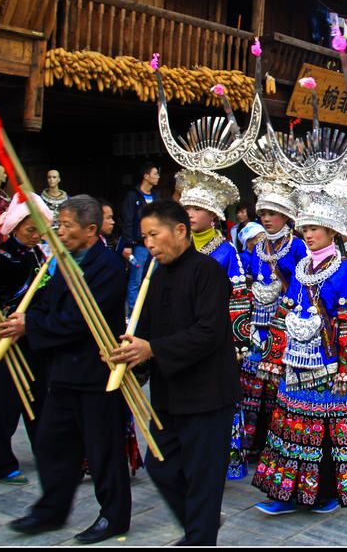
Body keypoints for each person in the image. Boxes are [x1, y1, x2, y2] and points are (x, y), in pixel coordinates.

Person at [108, 199, 241, 545]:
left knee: (202, 477)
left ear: (180, 231)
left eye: (154, 234)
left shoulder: (207, 271)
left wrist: (153, 349)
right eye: (144, 236)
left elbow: (209, 332)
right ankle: (200, 525)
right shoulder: (156, 274)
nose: (148, 243)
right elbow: (148, 330)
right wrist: (131, 354)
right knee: (161, 467)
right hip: (169, 394)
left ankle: (200, 535)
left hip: (208, 395)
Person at [7, 196, 131, 544]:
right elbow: (46, 303)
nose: (59, 232)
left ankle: (113, 516)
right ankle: (51, 510)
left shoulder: (106, 266)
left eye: (66, 226)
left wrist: (31, 326)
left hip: (95, 372)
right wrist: (24, 318)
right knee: (50, 442)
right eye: (58, 225)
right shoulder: (62, 262)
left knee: (102, 449)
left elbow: (78, 321)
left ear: (91, 230)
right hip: (62, 371)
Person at [252, 190, 347, 514]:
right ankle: (286, 495)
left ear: (332, 231)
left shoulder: (345, 271)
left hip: (328, 366)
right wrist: (274, 358)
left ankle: (326, 494)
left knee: (326, 433)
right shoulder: (303, 266)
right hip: (296, 360)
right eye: (304, 229)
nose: (308, 235)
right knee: (290, 428)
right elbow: (286, 311)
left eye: (314, 229)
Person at [176, 170, 249, 481]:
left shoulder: (226, 252)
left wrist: (237, 343)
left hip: (214, 338)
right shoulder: (177, 245)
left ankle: (215, 460)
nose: (190, 214)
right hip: (181, 336)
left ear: (214, 215)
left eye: (197, 209)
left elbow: (238, 300)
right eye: (187, 208)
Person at [0, 192, 54, 486]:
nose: (35, 235)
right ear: (15, 226)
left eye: (39, 229)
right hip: (11, 340)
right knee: (5, 403)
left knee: (40, 398)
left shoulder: (40, 253)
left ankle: (43, 450)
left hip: (36, 336)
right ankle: (3, 462)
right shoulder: (0, 258)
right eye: (29, 229)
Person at [243, 177, 307, 458]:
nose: (266, 220)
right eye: (263, 214)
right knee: (252, 381)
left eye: (272, 214)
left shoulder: (298, 247)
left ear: (286, 216)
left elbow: (302, 285)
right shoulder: (257, 248)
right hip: (258, 322)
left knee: (275, 383)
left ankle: (273, 440)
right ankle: (253, 442)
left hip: (283, 322)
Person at [120, 162, 161, 314]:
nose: (157, 177)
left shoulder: (156, 195)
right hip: (138, 245)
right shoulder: (133, 195)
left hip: (154, 245)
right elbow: (128, 219)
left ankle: (148, 313)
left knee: (152, 278)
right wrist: (128, 243)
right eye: (155, 173)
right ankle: (132, 315)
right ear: (146, 176)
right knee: (135, 280)